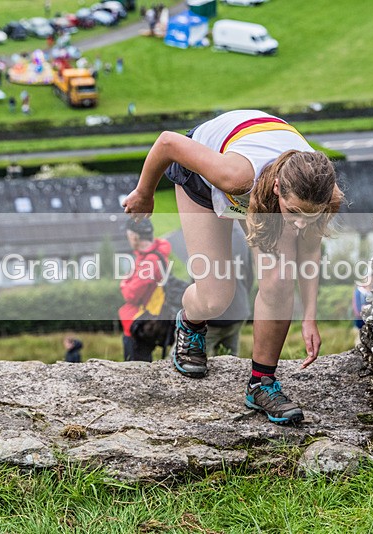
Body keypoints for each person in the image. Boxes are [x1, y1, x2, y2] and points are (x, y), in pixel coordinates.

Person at [122, 110, 343, 425]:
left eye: (309, 216)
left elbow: (308, 253)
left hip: (259, 192)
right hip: (205, 178)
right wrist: (145, 193)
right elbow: (168, 142)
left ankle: (261, 384)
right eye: (294, 212)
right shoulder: (236, 174)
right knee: (217, 297)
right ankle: (189, 324)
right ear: (278, 187)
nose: (300, 223)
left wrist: (310, 317)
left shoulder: (319, 194)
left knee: (280, 280)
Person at [118, 218, 171, 363]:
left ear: (134, 236)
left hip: (141, 323)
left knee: (135, 366)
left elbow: (131, 294)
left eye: (128, 235)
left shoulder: (150, 261)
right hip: (146, 319)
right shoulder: (153, 255)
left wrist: (124, 283)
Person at [205, 224, 253, 358]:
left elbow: (199, 281)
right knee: (231, 359)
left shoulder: (209, 232)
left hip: (212, 319)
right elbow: (249, 276)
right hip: (238, 312)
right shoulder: (243, 234)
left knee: (182, 359)